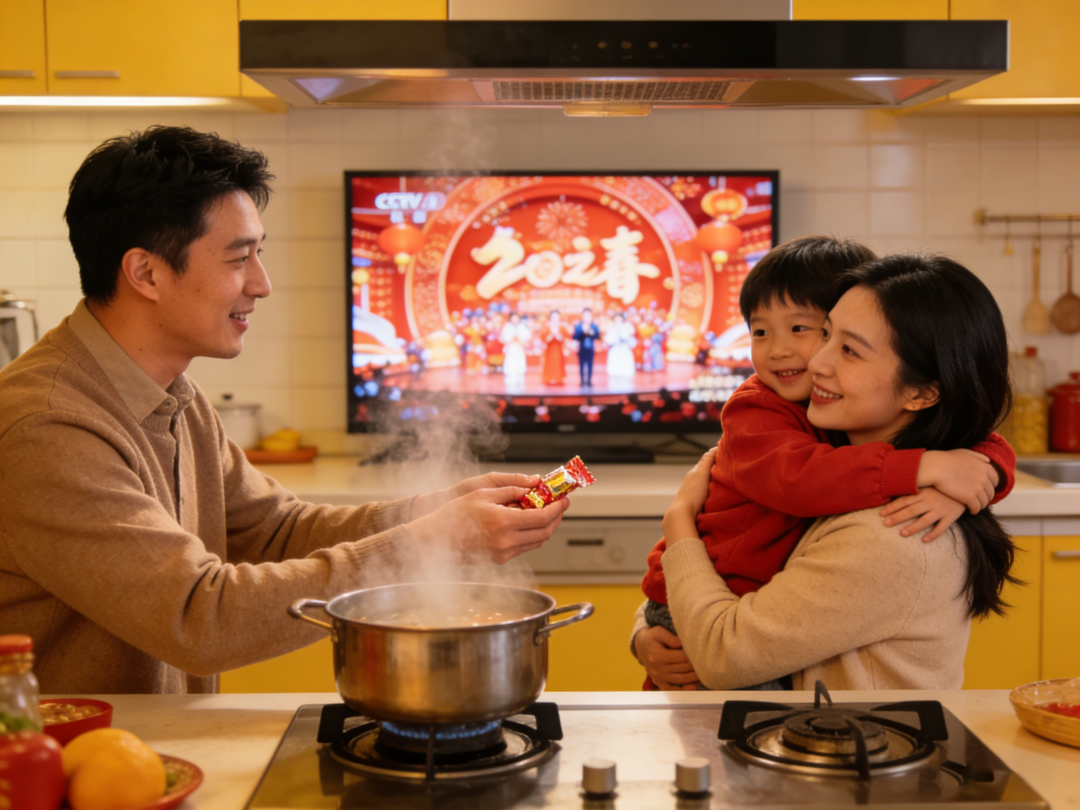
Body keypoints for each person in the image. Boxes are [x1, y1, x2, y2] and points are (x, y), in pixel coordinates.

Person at [0, 126, 569, 695]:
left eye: (259, 255)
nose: (262, 284)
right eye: (238, 258)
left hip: (145, 743)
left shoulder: (175, 397)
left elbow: (275, 532)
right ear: (146, 273)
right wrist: (428, 544)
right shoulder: (47, 425)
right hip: (58, 749)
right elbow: (199, 617)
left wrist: (429, 512)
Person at [634, 253, 1018, 691]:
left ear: (922, 393)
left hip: (844, 732)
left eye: (848, 349)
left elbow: (724, 654)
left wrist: (678, 521)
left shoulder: (892, 531)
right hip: (711, 608)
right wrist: (645, 632)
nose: (816, 361)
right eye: (828, 334)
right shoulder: (779, 414)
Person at [572, 308, 600, 387]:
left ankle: (589, 381)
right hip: (581, 348)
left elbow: (598, 336)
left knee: (590, 364)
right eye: (585, 315)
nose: (587, 317)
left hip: (591, 348)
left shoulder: (594, 326)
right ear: (582, 316)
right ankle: (582, 381)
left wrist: (592, 333)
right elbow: (574, 337)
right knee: (581, 365)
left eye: (588, 315)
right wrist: (582, 332)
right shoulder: (579, 326)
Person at [541, 310, 567, 385]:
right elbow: (543, 337)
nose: (555, 318)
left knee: (559, 362)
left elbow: (565, 337)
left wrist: (559, 336)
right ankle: (549, 377)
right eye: (553, 316)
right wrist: (550, 336)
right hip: (549, 349)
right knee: (549, 363)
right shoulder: (547, 327)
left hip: (559, 348)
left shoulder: (562, 327)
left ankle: (559, 378)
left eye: (556, 316)